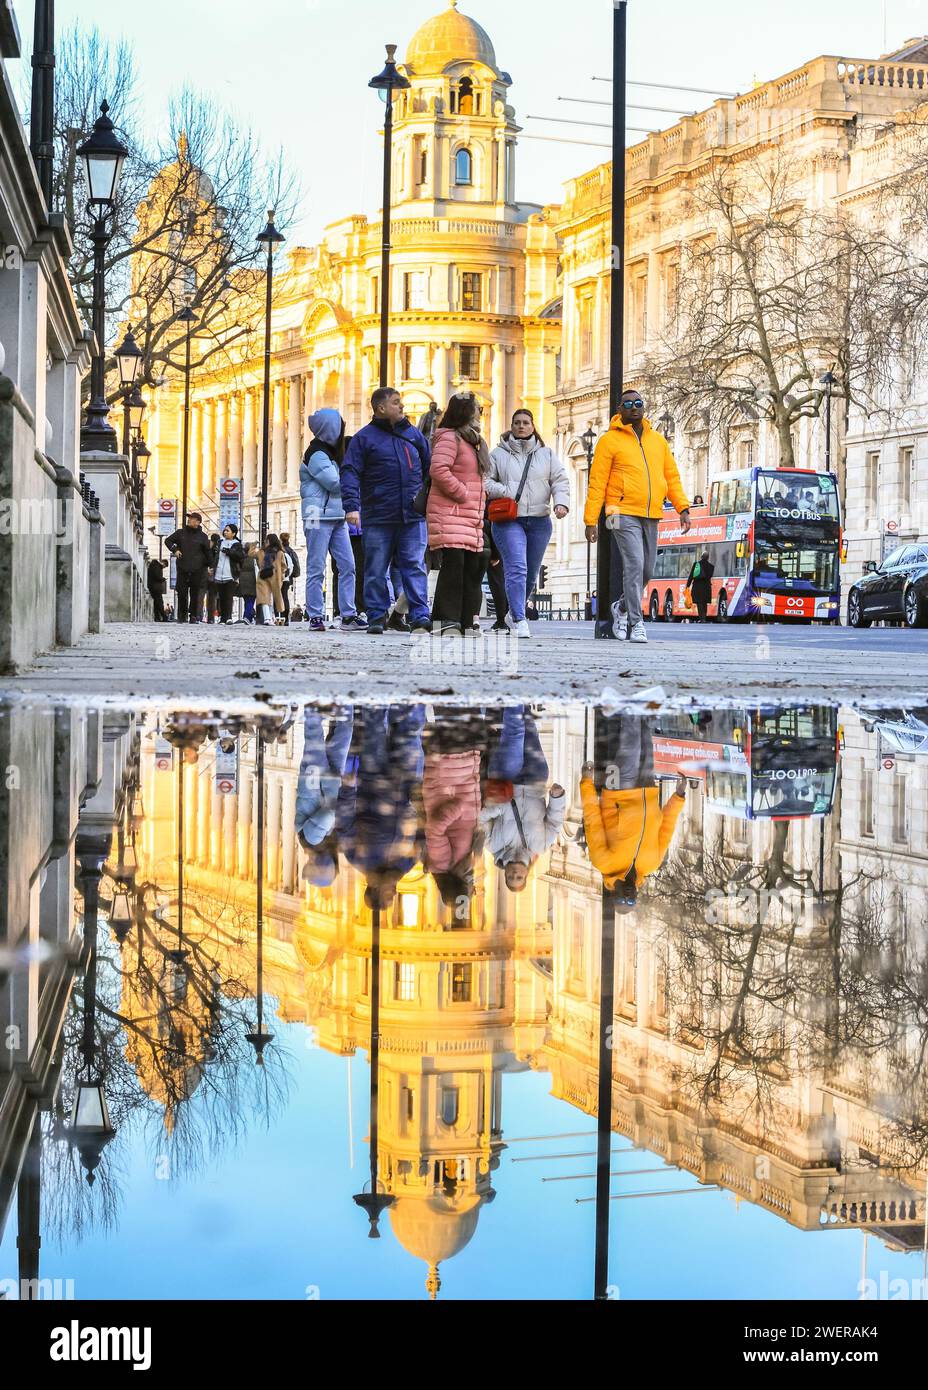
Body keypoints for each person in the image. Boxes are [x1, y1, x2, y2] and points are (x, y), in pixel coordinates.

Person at [584, 389, 691, 644]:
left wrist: (682, 508)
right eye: (628, 404)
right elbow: (597, 482)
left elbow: (671, 478)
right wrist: (590, 520)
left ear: (644, 407)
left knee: (647, 569)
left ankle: (620, 608)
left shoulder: (658, 441)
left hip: (651, 512)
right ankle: (636, 623)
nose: (634, 407)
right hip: (618, 513)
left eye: (639, 403)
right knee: (634, 564)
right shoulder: (609, 441)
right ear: (619, 409)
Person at [341, 387, 431, 636]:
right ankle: (376, 615)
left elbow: (428, 466)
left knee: (413, 565)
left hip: (412, 515)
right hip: (379, 514)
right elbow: (350, 471)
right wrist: (352, 506)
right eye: (395, 403)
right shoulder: (364, 439)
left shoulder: (413, 434)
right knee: (375, 568)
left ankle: (420, 615)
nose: (401, 406)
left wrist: (421, 498)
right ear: (380, 408)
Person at [581, 715, 686, 910]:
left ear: (613, 895)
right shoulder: (651, 865)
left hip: (618, 793)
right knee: (646, 738)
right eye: (632, 901)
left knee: (631, 742)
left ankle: (632, 699)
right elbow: (667, 829)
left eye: (623, 900)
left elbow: (591, 820)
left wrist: (586, 783)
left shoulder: (603, 863)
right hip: (648, 791)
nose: (628, 896)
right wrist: (678, 797)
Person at [487, 408, 569, 640]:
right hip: (508, 520)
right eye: (516, 423)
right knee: (517, 568)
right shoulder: (497, 454)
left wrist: (561, 503)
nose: (521, 426)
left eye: (525, 422)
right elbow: (485, 481)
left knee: (531, 574)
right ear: (511, 427)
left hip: (540, 521)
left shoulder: (547, 454)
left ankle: (515, 610)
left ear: (533, 427)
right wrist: (505, 491)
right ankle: (521, 619)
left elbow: (560, 480)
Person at [481, 706, 565, 892]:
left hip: (505, 780)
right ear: (527, 874)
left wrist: (500, 808)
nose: (514, 874)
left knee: (515, 733)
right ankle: (521, 691)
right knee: (529, 726)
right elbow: (554, 822)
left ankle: (513, 686)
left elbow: (479, 820)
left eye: (511, 877)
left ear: (505, 874)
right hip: (536, 780)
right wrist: (557, 798)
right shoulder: (541, 846)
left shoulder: (492, 846)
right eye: (518, 877)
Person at [426, 391, 489, 635]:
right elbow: (439, 469)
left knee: (472, 567)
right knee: (454, 567)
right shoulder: (450, 438)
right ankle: (444, 620)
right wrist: (462, 493)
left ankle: (465, 620)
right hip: (451, 512)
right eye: (476, 409)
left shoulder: (473, 441)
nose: (480, 414)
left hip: (469, 515)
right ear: (465, 412)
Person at [300, 409, 367, 633]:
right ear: (331, 429)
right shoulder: (317, 454)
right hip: (316, 515)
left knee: (348, 566)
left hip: (336, 515)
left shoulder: (331, 453)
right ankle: (315, 616)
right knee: (316, 566)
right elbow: (335, 483)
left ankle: (348, 614)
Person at [165, 512, 212, 623]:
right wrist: (175, 550)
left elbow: (207, 553)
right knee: (181, 592)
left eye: (192, 518)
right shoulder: (180, 533)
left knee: (195, 593)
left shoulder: (203, 536)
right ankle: (182, 615)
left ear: (198, 522)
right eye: (189, 518)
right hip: (182, 567)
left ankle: (193, 615)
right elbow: (168, 541)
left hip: (197, 569)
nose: (189, 520)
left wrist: (210, 566)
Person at [209, 523, 245, 624]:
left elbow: (241, 556)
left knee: (229, 596)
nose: (225, 532)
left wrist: (229, 552)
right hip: (219, 573)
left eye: (228, 531)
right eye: (224, 530)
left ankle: (228, 617)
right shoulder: (220, 543)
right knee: (221, 597)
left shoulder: (237, 544)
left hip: (231, 574)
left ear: (233, 533)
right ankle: (222, 617)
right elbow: (214, 556)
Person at [256, 532, 286, 625]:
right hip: (263, 576)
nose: (265, 542)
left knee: (273, 598)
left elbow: (284, 566)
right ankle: (267, 618)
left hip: (275, 577)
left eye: (267, 540)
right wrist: (254, 544)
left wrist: (281, 576)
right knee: (264, 598)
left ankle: (272, 617)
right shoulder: (261, 552)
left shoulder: (280, 553)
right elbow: (250, 553)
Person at [279, 531, 301, 626]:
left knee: (279, 596)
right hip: (289, 577)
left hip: (281, 576)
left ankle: (280, 616)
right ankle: (286, 617)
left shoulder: (281, 551)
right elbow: (295, 565)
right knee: (285, 596)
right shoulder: (291, 551)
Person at [687, 549, 715, 622]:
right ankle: (704, 617)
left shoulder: (696, 564)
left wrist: (688, 585)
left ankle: (702, 618)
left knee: (699, 603)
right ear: (708, 558)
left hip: (697, 586)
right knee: (704, 602)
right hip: (706, 587)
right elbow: (709, 576)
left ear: (701, 557)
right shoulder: (711, 567)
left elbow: (691, 576)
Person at [237, 542, 258, 623]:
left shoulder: (241, 558)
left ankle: (248, 616)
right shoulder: (254, 558)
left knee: (246, 600)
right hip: (252, 580)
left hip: (242, 580)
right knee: (251, 600)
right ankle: (247, 617)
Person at [147, 556, 168, 621]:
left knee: (156, 603)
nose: (163, 568)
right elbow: (157, 576)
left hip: (152, 587)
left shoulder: (154, 565)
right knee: (159, 602)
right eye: (164, 566)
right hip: (156, 588)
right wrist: (163, 579)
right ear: (163, 563)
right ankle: (164, 617)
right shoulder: (157, 566)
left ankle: (157, 618)